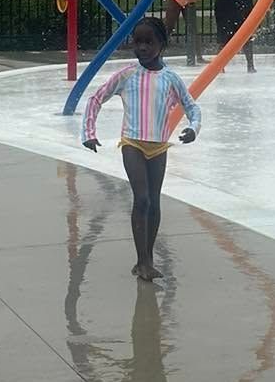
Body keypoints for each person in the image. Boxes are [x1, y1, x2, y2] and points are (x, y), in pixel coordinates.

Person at [82, 15, 200, 281]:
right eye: (138, 42)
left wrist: (194, 129)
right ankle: (143, 260)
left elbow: (192, 107)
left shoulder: (171, 78)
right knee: (142, 198)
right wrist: (89, 133)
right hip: (132, 143)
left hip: (158, 146)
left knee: (154, 203)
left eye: (149, 42)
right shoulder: (127, 75)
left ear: (162, 44)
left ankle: (146, 258)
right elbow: (96, 99)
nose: (143, 48)